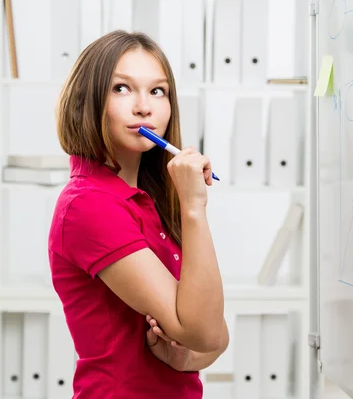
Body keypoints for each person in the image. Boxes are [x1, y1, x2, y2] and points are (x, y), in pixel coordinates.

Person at [48, 30, 228, 398]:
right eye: (122, 88)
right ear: (87, 100)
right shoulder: (89, 205)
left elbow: (215, 336)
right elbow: (206, 332)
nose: (144, 106)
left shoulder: (149, 198)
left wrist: (186, 359)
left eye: (157, 91)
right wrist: (194, 208)